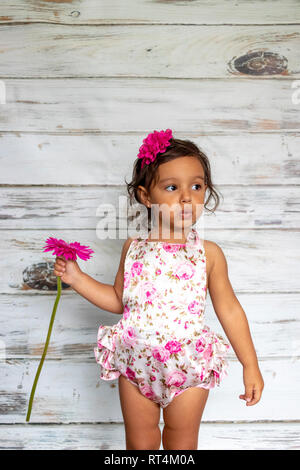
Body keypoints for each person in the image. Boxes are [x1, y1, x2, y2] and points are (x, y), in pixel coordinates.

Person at [53, 129, 264, 450]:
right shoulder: (133, 248)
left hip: (188, 367)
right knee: (140, 442)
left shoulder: (209, 254)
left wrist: (250, 364)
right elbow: (118, 300)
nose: (186, 197)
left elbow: (230, 309)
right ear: (145, 195)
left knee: (181, 441)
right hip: (136, 365)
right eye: (172, 187)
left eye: (196, 186)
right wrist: (78, 278)